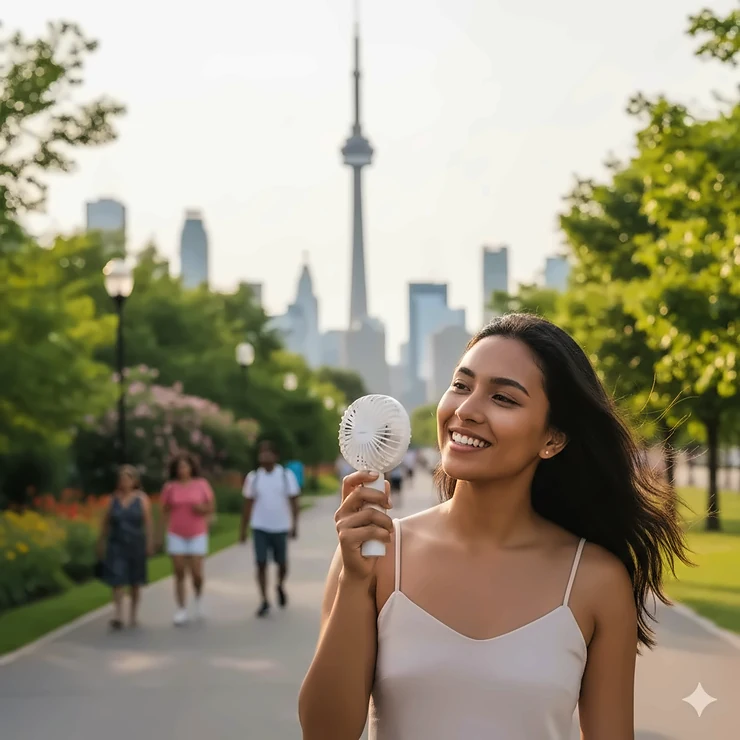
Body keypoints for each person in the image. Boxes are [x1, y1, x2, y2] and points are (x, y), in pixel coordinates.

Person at [298, 313, 692, 739]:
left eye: (503, 398)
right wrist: (354, 583)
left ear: (552, 439)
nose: (465, 411)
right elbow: (325, 733)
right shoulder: (372, 556)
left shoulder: (596, 581)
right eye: (461, 386)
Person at [240, 440, 301, 618]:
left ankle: (280, 584)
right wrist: (243, 530)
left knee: (281, 563)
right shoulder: (253, 478)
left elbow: (294, 501)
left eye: (268, 453)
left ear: (276, 456)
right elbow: (247, 504)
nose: (264, 457)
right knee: (260, 563)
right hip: (260, 527)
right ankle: (264, 600)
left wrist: (294, 525)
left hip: (280, 526)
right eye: (262, 453)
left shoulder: (285, 475)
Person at [160, 452, 215, 626]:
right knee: (179, 571)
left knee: (196, 573)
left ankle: (198, 600)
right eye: (179, 467)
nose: (182, 470)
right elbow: (164, 510)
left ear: (191, 468)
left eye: (185, 466)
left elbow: (211, 507)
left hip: (197, 533)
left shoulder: (201, 485)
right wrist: (159, 535)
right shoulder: (170, 487)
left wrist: (202, 509)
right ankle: (181, 609)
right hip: (176, 533)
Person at [97, 465, 154, 630]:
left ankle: (133, 614)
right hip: (117, 543)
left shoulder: (142, 499)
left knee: (135, 581)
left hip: (136, 543)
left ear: (134, 481)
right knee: (117, 579)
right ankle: (118, 614)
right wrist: (101, 541)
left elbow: (148, 523)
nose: (124, 482)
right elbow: (105, 523)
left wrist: (150, 543)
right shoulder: (113, 499)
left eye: (128, 479)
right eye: (122, 479)